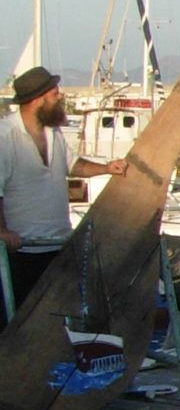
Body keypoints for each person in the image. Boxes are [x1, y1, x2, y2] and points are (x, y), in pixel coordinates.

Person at [0, 65, 128, 319]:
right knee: (18, 324)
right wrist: (3, 231)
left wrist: (106, 168)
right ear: (37, 100)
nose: (60, 97)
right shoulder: (6, 136)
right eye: (54, 93)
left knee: (56, 323)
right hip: (21, 251)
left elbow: (72, 165)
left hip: (57, 247)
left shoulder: (53, 132)